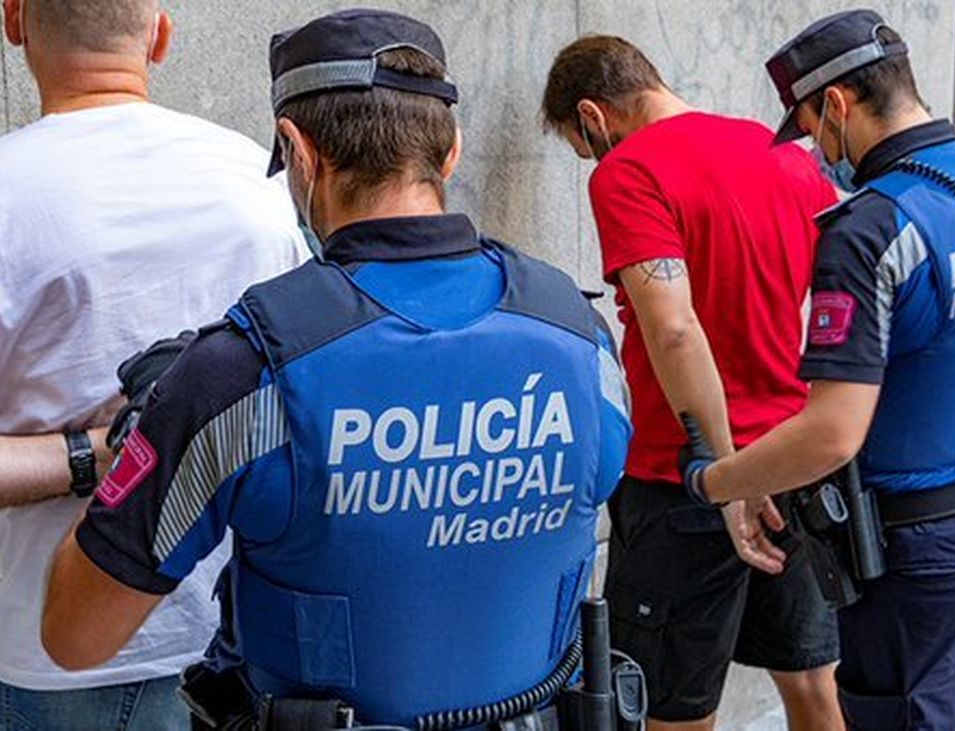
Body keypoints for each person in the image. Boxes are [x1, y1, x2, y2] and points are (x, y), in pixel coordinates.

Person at [40, 9, 632, 728]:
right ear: (450, 152)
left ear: (297, 151)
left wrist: (149, 430)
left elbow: (74, 636)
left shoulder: (239, 373)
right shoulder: (583, 338)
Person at [0, 0, 308, 728]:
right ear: (160, 35)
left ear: (13, 22)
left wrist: (97, 456)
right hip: (260, 651)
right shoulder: (266, 180)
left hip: (71, 666)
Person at [684, 9, 955, 729]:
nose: (815, 150)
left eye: (808, 128)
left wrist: (720, 482)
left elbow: (832, 432)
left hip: (927, 553)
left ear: (836, 104)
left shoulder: (870, 228)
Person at [540, 36, 842, 730]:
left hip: (684, 479)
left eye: (585, 145)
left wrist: (724, 468)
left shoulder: (628, 172)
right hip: (794, 457)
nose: (593, 160)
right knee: (814, 686)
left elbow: (673, 329)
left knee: (673, 711)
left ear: (594, 115)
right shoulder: (781, 154)